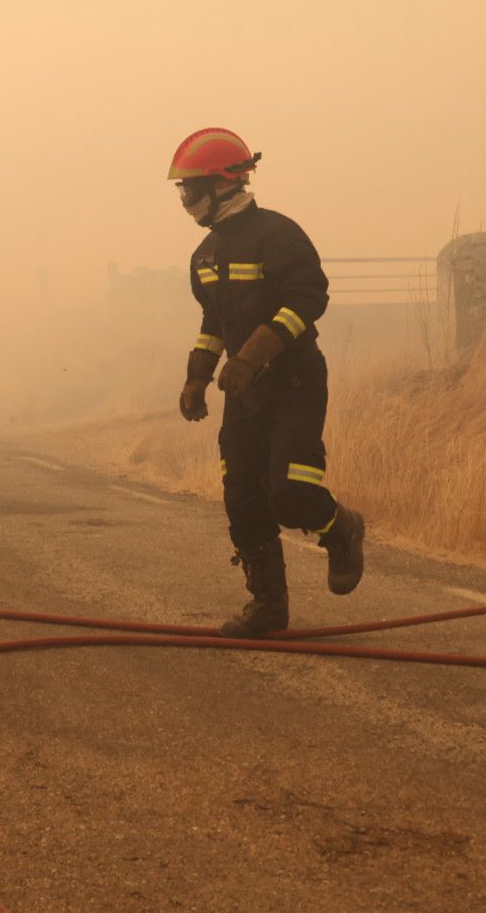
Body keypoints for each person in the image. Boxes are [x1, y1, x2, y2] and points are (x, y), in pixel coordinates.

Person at [169, 128, 365, 638]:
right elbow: (214, 323)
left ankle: (340, 528)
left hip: (294, 385)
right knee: (242, 498)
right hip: (245, 394)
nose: (185, 199)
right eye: (181, 189)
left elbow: (307, 300)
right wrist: (196, 377)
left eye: (191, 187)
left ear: (223, 183)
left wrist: (254, 356)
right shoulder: (204, 257)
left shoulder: (278, 235)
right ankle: (268, 608)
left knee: (290, 494)